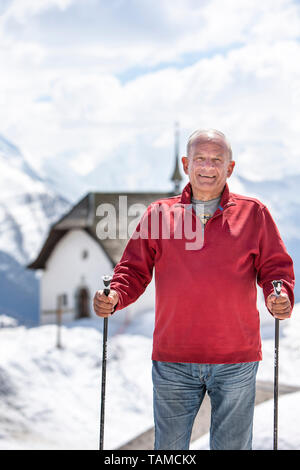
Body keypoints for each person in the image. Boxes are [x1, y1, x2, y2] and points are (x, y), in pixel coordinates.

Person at [93, 129, 295, 450]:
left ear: (230, 167)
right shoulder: (159, 214)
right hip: (173, 359)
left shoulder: (254, 213)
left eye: (217, 159)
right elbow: (133, 269)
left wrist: (279, 295)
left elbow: (276, 269)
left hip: (236, 361)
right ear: (187, 164)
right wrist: (115, 295)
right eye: (200, 158)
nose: (208, 166)